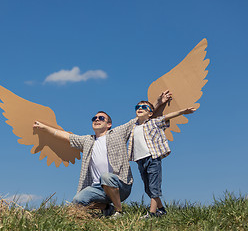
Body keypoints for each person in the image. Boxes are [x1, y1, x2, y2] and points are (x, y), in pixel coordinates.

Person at [33, 91, 172, 218]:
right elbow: (66, 136)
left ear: (109, 124)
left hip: (120, 185)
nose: (97, 119)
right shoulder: (87, 140)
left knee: (106, 176)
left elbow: (140, 117)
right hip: (98, 188)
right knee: (78, 201)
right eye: (94, 118)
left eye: (101, 118)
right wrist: (45, 128)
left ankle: (119, 211)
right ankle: (107, 208)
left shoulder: (118, 133)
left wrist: (159, 102)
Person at [127, 100, 195, 218]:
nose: (140, 108)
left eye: (144, 107)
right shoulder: (133, 126)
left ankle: (152, 213)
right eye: (137, 106)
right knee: (148, 189)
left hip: (152, 158)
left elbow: (166, 116)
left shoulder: (153, 122)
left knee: (154, 187)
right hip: (140, 160)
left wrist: (183, 111)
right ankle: (161, 210)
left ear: (150, 113)